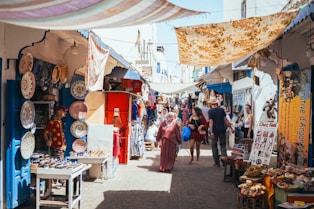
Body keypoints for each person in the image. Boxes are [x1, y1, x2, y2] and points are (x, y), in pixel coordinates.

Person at [208, 98, 234, 167]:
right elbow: (225, 120)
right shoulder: (221, 110)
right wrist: (231, 128)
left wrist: (211, 131)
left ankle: (216, 162)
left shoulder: (211, 111)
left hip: (215, 130)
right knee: (223, 145)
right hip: (222, 130)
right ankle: (224, 159)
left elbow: (211, 121)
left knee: (214, 146)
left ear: (212, 104)